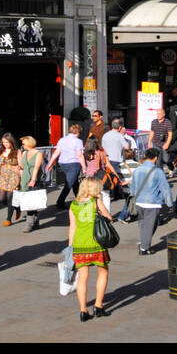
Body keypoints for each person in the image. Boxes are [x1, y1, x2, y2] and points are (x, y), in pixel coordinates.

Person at [68, 176, 113, 321]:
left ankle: (83, 310)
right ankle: (98, 306)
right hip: (96, 243)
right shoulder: (96, 201)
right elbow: (109, 217)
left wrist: (70, 246)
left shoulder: (73, 204)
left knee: (82, 277)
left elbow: (72, 227)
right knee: (103, 272)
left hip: (80, 244)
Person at [129, 147, 172, 255]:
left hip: (139, 201)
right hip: (152, 202)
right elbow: (165, 188)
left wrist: (134, 195)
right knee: (150, 225)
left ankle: (144, 242)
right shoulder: (157, 171)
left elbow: (133, 187)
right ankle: (144, 248)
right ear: (156, 158)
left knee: (143, 224)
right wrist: (169, 202)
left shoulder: (137, 169)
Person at [48, 123, 85, 207]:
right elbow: (80, 155)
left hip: (63, 163)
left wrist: (50, 163)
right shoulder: (78, 141)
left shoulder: (62, 140)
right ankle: (60, 201)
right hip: (74, 163)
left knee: (74, 182)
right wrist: (84, 167)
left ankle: (79, 199)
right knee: (69, 183)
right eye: (80, 133)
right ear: (77, 132)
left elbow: (57, 152)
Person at [18, 135, 46, 232]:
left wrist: (33, 180)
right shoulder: (24, 152)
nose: (22, 145)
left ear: (29, 143)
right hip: (25, 179)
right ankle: (35, 221)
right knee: (29, 202)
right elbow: (22, 166)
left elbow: (36, 168)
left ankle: (29, 223)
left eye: (23, 143)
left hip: (34, 179)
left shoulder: (38, 154)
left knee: (31, 202)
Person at [0, 132, 22, 225]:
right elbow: (0, 164)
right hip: (3, 176)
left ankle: (8, 219)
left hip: (14, 176)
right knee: (1, 198)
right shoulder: (2, 151)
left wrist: (21, 173)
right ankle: (17, 208)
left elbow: (21, 165)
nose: (5, 144)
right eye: (3, 142)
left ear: (11, 142)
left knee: (10, 197)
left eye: (7, 142)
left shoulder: (17, 151)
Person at [100, 118, 129, 192]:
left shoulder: (105, 135)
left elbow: (102, 147)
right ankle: (116, 192)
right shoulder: (119, 136)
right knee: (117, 176)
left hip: (107, 159)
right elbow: (127, 147)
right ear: (119, 128)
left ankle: (110, 190)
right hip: (117, 158)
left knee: (109, 175)